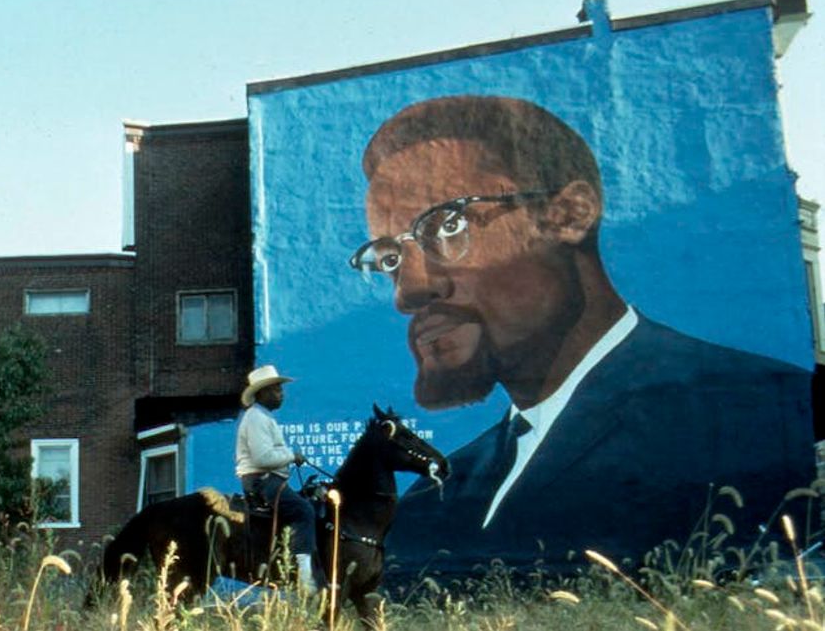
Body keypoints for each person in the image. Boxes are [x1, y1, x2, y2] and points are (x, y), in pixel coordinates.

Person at [348, 95, 814, 578]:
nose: (409, 290)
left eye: (448, 225)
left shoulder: (752, 413)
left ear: (570, 214)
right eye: (389, 258)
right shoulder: (432, 499)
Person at [235, 364, 319, 592]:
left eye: (280, 389)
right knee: (304, 511)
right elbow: (262, 457)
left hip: (268, 480)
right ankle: (304, 577)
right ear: (262, 393)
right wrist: (292, 455)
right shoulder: (256, 418)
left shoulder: (262, 417)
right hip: (262, 481)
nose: (281, 394)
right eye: (276, 390)